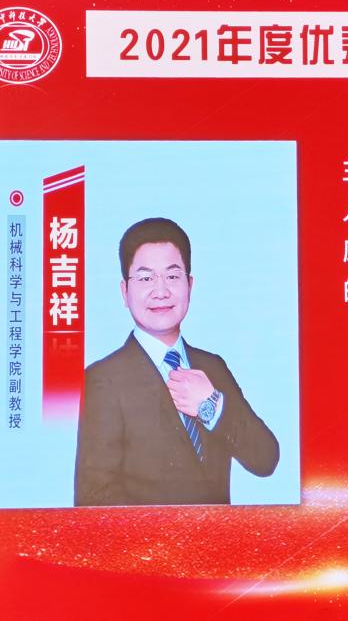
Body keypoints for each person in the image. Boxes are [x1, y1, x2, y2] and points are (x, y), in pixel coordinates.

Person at [74, 217, 279, 506]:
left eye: (172, 276)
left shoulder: (213, 367)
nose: (161, 291)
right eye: (146, 278)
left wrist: (212, 407)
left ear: (190, 285)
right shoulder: (103, 379)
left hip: (219, 534)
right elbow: (94, 499)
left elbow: (266, 458)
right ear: (124, 292)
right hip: (153, 537)